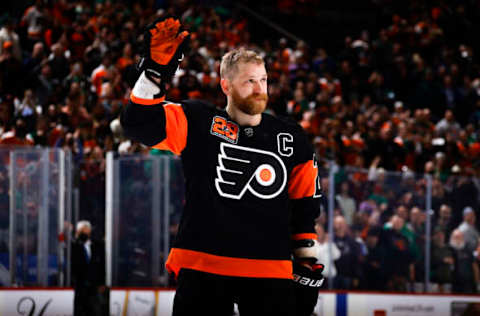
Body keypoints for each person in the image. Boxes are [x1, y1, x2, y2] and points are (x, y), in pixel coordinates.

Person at [120, 17, 324, 316]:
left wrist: (306, 261)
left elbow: (305, 204)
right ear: (226, 85)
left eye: (263, 80)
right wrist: (153, 74)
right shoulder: (198, 120)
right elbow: (139, 125)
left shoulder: (291, 136)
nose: (259, 88)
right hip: (204, 263)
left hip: (270, 266)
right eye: (249, 81)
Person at [71, 220, 106, 316]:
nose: (85, 233)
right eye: (82, 231)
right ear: (77, 232)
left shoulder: (98, 246)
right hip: (79, 287)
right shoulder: (73, 246)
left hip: (94, 287)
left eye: (86, 231)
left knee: (95, 311)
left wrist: (102, 282)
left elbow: (102, 265)